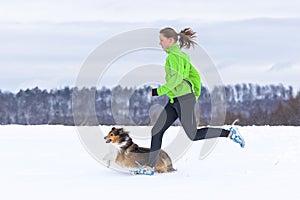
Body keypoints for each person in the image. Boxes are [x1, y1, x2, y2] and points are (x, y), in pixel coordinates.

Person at [134, 27, 245, 175]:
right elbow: (195, 76)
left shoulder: (174, 57)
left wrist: (158, 91)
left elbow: (177, 79)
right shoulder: (180, 56)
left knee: (192, 135)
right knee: (157, 130)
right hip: (176, 99)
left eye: (161, 40)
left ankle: (229, 133)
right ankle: (150, 168)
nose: (160, 43)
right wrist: (195, 93)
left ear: (170, 40)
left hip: (183, 100)